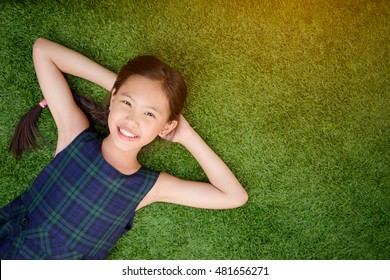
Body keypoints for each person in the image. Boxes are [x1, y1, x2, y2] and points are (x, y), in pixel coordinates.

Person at [0, 38, 248, 259]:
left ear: (165, 127)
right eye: (127, 103)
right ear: (113, 97)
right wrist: (121, 86)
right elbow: (43, 50)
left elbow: (234, 196)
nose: (132, 120)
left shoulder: (150, 187)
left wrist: (186, 135)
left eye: (150, 113)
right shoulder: (73, 134)